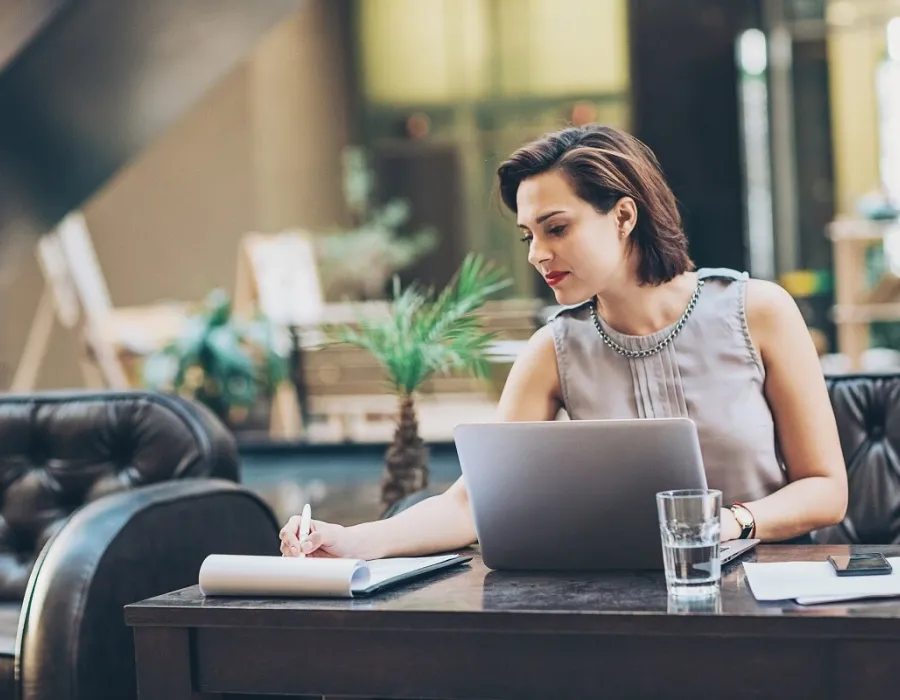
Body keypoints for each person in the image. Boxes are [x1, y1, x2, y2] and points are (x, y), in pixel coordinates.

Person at [280, 124, 848, 559]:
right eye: (529, 235)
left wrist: (728, 525)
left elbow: (825, 489)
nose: (537, 254)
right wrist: (353, 542)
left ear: (623, 216)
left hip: (772, 591)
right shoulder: (552, 351)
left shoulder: (759, 311)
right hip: (632, 611)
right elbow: (474, 502)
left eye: (557, 228)